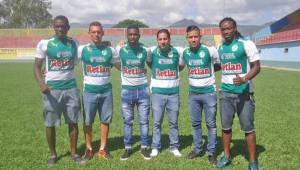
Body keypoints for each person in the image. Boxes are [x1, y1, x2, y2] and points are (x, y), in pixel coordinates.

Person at [33, 15, 85, 165]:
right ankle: (53, 154)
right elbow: (36, 66)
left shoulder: (74, 43)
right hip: (51, 90)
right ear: (53, 27)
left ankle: (74, 153)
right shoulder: (45, 43)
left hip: (71, 88)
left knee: (73, 121)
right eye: (57, 26)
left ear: (68, 27)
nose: (60, 29)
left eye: (63, 26)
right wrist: (41, 83)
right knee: (49, 123)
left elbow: (76, 61)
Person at [216, 17, 260, 170]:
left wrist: (244, 78)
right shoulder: (220, 47)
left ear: (235, 28)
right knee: (226, 127)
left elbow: (257, 67)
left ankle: (253, 161)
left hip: (244, 94)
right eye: (223, 29)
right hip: (225, 94)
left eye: (229, 28)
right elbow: (219, 66)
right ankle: (227, 156)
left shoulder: (246, 44)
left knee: (248, 128)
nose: (226, 31)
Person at [180, 25, 220, 165]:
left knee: (211, 124)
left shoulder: (210, 50)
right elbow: (180, 66)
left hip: (209, 93)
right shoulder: (185, 53)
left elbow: (219, 64)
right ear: (187, 38)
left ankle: (212, 152)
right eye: (190, 37)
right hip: (193, 94)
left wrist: (207, 72)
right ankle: (197, 149)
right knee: (196, 123)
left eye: (195, 36)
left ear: (200, 37)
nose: (193, 39)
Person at [78, 21, 117, 160]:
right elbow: (68, 61)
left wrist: (122, 47)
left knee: (105, 120)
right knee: (88, 121)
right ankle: (88, 148)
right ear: (89, 33)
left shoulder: (110, 50)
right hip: (89, 91)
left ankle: (102, 148)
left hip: (106, 91)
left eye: (99, 32)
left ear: (103, 33)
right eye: (93, 32)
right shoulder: (82, 49)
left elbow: (118, 65)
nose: (96, 34)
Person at [114, 26, 151, 160]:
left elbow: (151, 63)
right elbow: (114, 61)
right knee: (128, 121)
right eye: (130, 35)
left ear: (139, 36)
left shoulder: (146, 50)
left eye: (135, 34)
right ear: (126, 36)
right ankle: (128, 148)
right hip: (126, 90)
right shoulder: (120, 49)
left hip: (143, 91)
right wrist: (123, 70)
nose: (132, 37)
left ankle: (144, 147)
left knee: (144, 121)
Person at [147, 29, 184, 157]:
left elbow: (181, 66)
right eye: (160, 39)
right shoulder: (151, 51)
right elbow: (148, 62)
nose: (163, 41)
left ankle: (174, 146)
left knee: (173, 122)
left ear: (169, 39)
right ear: (157, 40)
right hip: (157, 93)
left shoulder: (177, 51)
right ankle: (155, 147)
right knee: (157, 122)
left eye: (165, 39)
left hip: (173, 93)